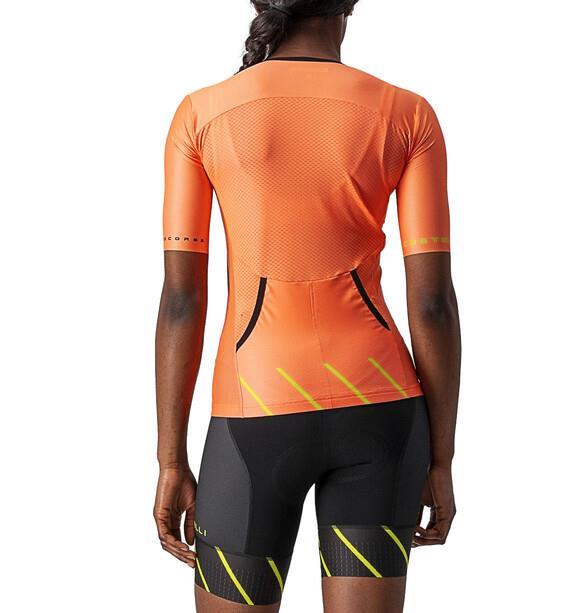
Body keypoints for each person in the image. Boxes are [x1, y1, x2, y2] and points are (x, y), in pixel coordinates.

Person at [154, 1, 461, 611]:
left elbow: (182, 302)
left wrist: (170, 459)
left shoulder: (202, 114)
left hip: (253, 414)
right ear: (349, 3)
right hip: (382, 413)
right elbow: (432, 305)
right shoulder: (407, 113)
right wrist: (442, 458)